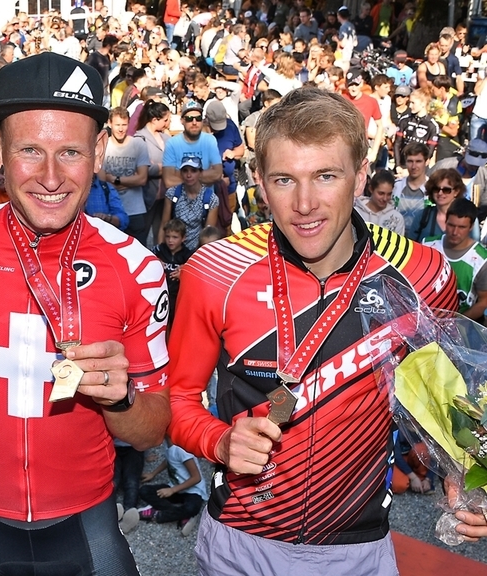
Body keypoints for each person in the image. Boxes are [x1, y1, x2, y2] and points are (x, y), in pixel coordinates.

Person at [166, 86, 458, 574]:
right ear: (258, 180)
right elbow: (176, 400)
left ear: (360, 174)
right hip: (240, 545)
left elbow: (442, 407)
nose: (304, 204)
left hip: (359, 550)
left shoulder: (424, 273)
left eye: (326, 176)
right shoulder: (215, 269)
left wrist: (463, 476)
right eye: (283, 179)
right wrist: (218, 441)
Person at [0, 51, 171, 576]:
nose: (51, 177)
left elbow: (151, 431)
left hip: (87, 518)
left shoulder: (137, 266)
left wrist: (121, 399)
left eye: (70, 151)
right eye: (30, 149)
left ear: (99, 151)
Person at [424, 198, 487, 320]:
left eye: (461, 227)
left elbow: (483, 301)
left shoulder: (481, 260)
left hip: (461, 327)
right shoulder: (427, 246)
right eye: (451, 225)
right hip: (425, 320)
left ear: (471, 227)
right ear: (445, 222)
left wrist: (456, 322)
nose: (455, 232)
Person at [99, 106, 151, 246]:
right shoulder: (104, 145)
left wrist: (116, 179)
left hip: (136, 210)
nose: (121, 129)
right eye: (117, 125)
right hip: (112, 210)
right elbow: (102, 178)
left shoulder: (138, 144)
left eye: (124, 125)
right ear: (109, 124)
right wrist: (130, 180)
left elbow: (142, 178)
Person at [138, 439, 208, 535]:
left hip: (193, 491)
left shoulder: (182, 449)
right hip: (175, 488)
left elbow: (196, 478)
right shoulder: (168, 444)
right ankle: (182, 514)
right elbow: (169, 460)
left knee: (191, 508)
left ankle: (157, 514)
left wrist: (172, 490)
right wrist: (153, 473)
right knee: (144, 490)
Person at [355, 169, 406, 235]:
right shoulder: (356, 212)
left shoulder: (397, 219)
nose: (385, 198)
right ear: (371, 189)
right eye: (381, 193)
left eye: (389, 194)